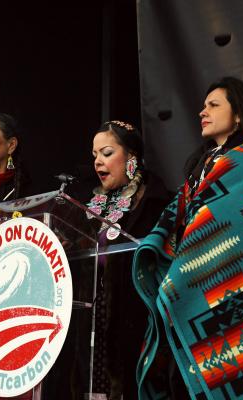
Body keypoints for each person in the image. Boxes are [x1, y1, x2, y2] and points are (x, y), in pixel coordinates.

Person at [131, 77, 243, 399]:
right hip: (202, 278)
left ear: (238, 114)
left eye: (214, 105)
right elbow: (183, 216)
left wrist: (185, 267)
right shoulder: (202, 166)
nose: (203, 112)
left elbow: (238, 222)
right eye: (203, 106)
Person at [79, 120, 171, 400]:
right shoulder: (86, 207)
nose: (98, 161)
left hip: (137, 324)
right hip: (93, 326)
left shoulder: (158, 203)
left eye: (107, 153)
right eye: (94, 155)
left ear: (132, 156)